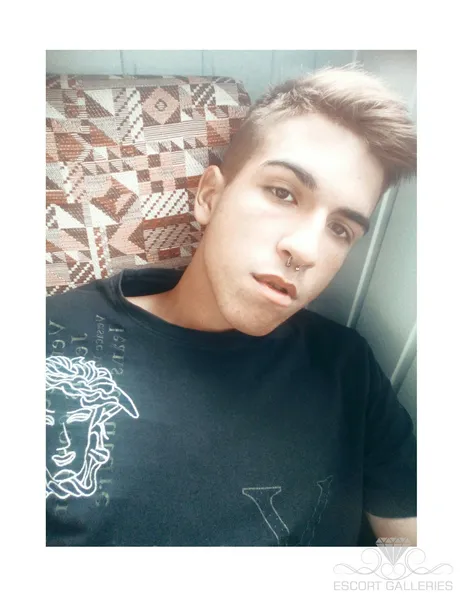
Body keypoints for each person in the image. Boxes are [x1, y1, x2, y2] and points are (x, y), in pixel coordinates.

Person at [46, 65, 417, 546]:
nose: (306, 250)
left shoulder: (348, 368)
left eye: (341, 229)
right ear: (210, 197)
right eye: (283, 193)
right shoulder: (49, 337)